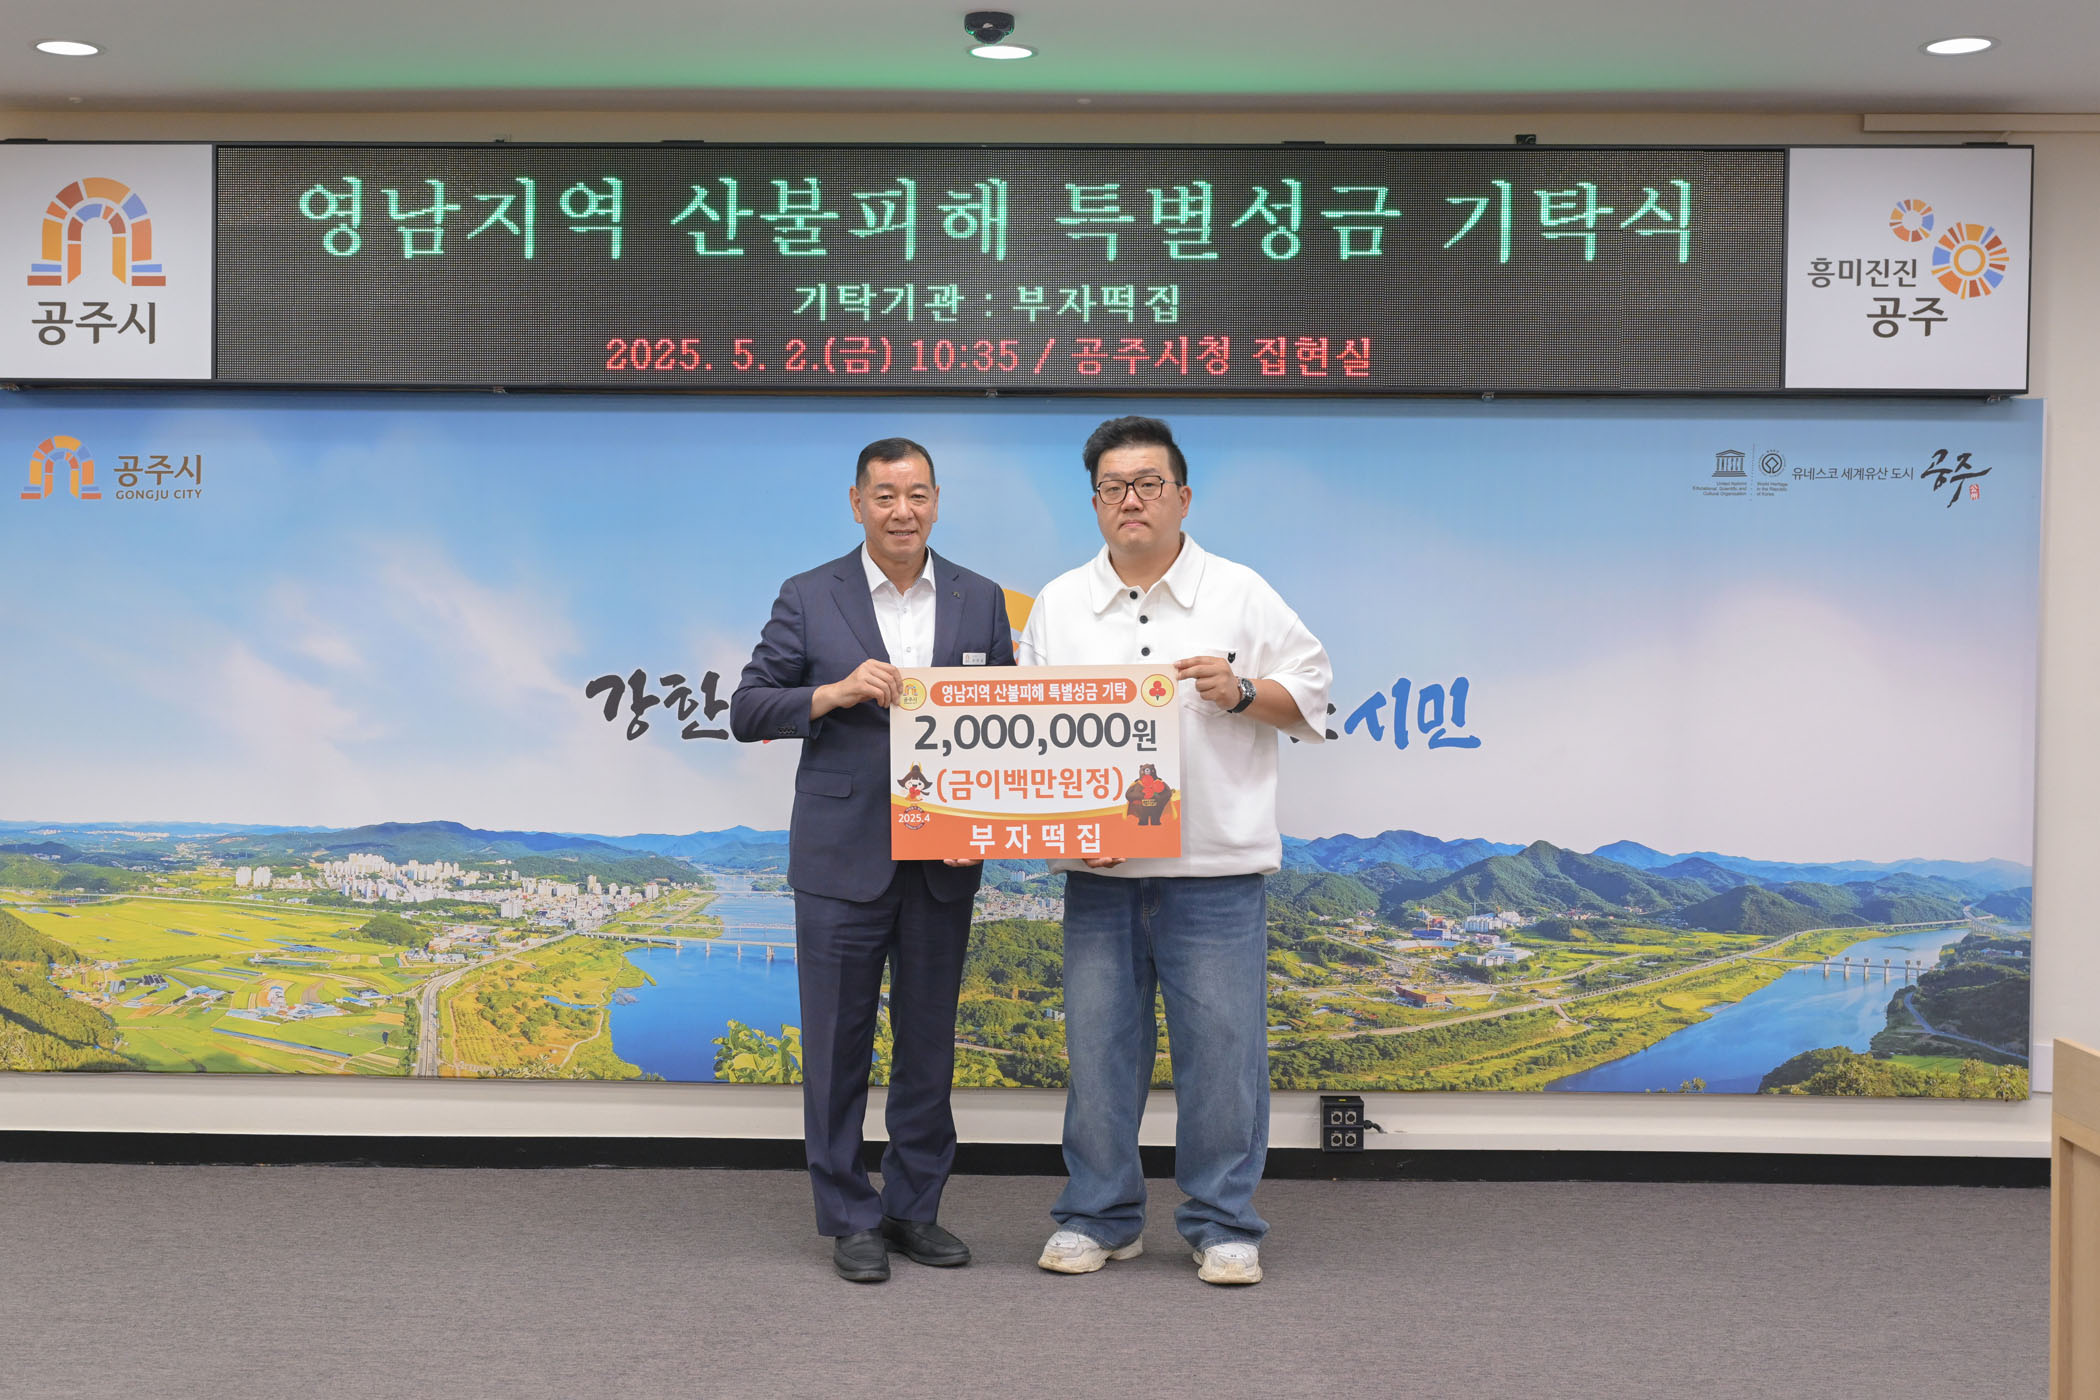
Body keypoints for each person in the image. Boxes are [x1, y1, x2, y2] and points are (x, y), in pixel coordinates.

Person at [1018, 415, 1331, 1287]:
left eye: (1149, 483)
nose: (1132, 499)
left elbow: (1314, 697)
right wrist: (1066, 828)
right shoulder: (1058, 604)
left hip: (1216, 874)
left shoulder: (1242, 592)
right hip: (1101, 877)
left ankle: (1224, 1223)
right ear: (1094, 503)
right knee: (1097, 1057)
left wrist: (1242, 691)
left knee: (1224, 1060)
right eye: (1114, 486)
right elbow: (1030, 745)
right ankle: (1098, 1217)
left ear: (1183, 497)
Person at [730, 436, 1015, 1283]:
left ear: (937, 501)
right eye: (885, 495)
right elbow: (748, 708)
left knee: (928, 1049)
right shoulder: (808, 594)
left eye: (917, 494)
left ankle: (913, 1209)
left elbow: (1007, 725)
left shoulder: (979, 597)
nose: (902, 510)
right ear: (857, 503)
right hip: (839, 858)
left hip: (943, 857)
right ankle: (850, 1216)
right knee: (836, 1048)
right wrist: (834, 692)